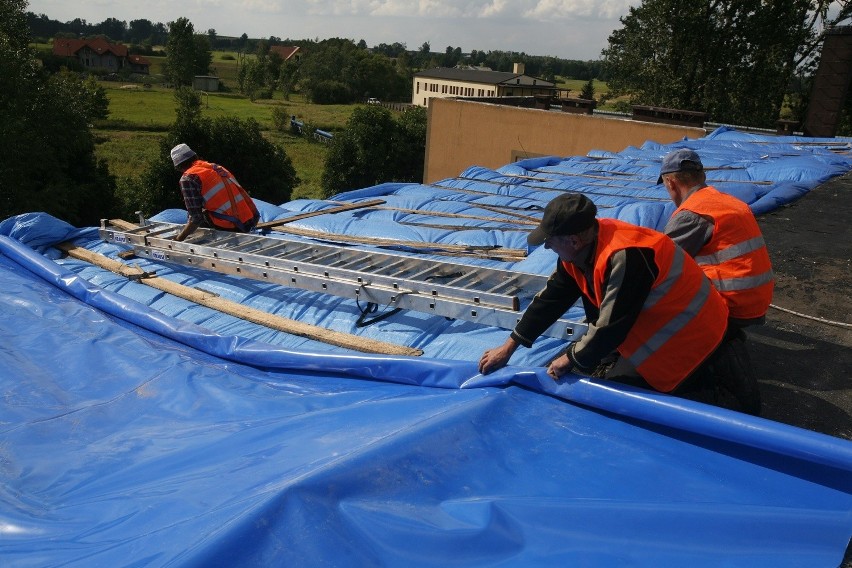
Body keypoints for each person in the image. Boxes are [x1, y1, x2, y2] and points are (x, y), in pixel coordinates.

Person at [478, 193, 760, 414]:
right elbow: (552, 298)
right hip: (660, 327)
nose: (548, 248)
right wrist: (510, 345)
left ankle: (709, 393)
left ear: (574, 240)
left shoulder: (626, 256)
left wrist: (570, 360)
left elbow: (611, 326)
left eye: (550, 242)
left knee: (647, 406)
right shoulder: (579, 253)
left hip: (692, 336)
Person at [658, 148, 774, 331]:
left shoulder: (692, 214)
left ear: (671, 183)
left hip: (733, 305)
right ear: (702, 176)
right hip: (757, 301)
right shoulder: (730, 203)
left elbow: (659, 262)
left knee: (656, 285)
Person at [170, 143, 260, 242]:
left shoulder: (188, 178)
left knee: (196, 216)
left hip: (233, 226)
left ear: (178, 167)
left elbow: (196, 219)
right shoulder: (215, 167)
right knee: (203, 212)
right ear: (195, 157)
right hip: (250, 220)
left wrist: (179, 238)